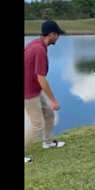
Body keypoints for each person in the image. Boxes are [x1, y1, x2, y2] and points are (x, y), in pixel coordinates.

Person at [24, 20, 66, 149]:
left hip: (34, 89)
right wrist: (54, 101)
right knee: (37, 125)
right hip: (28, 92)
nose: (58, 37)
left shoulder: (37, 44)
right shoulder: (39, 50)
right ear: (52, 34)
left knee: (49, 114)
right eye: (58, 34)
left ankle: (48, 142)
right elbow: (41, 79)